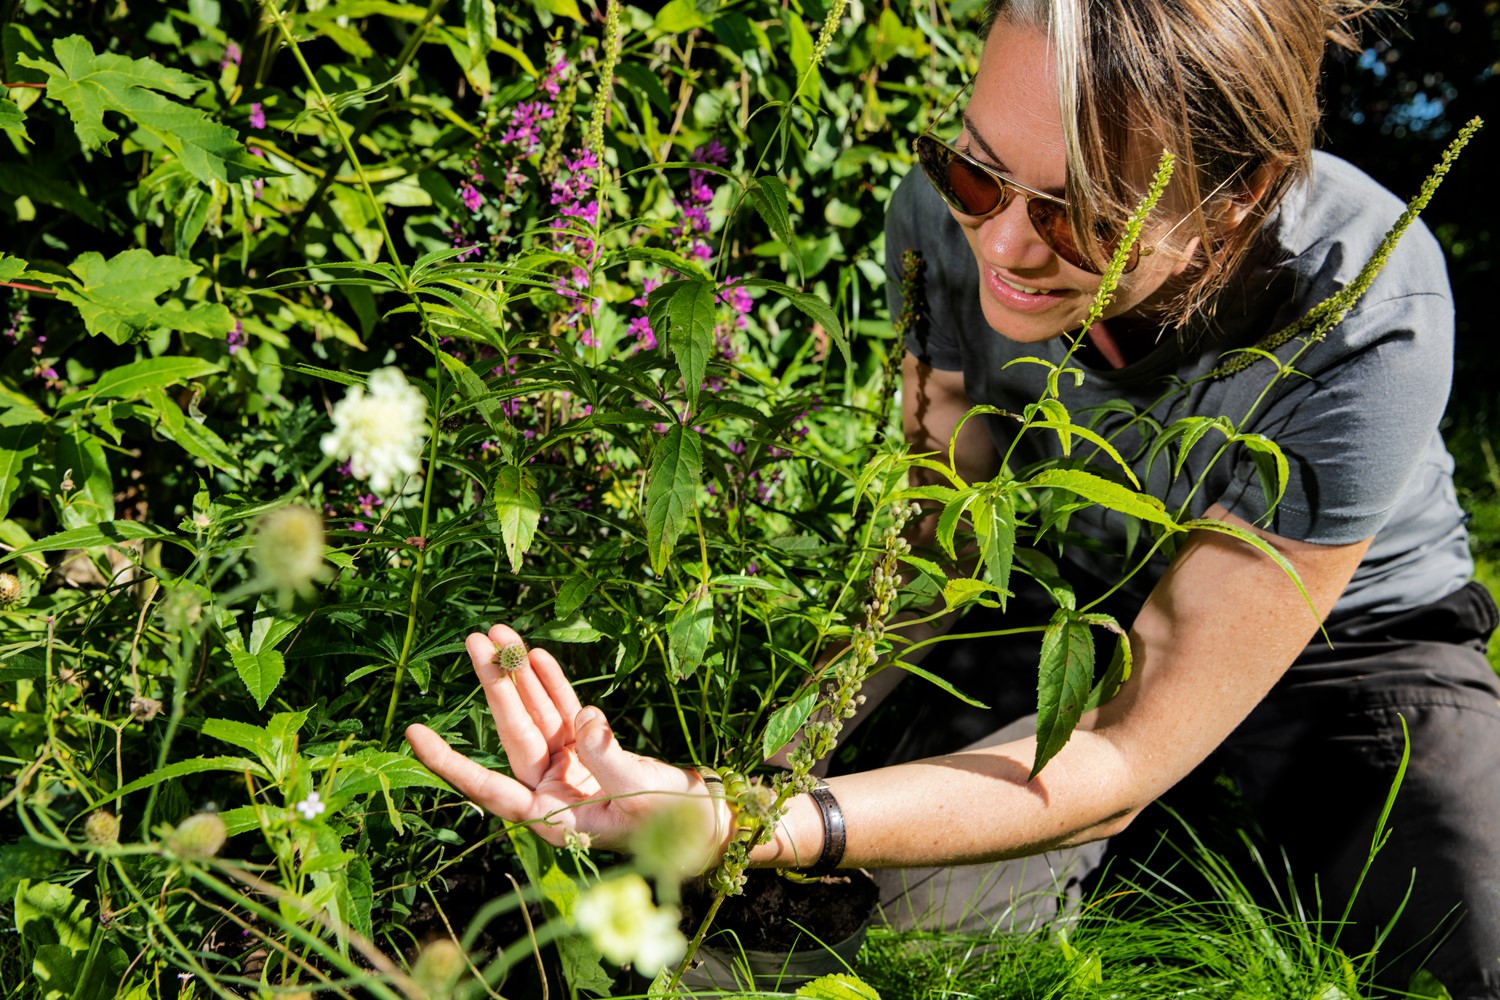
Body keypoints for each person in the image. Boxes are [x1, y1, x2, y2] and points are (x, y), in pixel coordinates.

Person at [406, 0, 1500, 995]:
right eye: (977, 172)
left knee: (1475, 951)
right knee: (863, 933)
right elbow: (938, 556)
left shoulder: (1369, 302)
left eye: (1083, 213)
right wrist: (757, 791)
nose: (1004, 245)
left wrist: (767, 819)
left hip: (1356, 644)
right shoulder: (937, 227)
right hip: (1067, 595)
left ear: (1240, 193)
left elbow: (1124, 749)